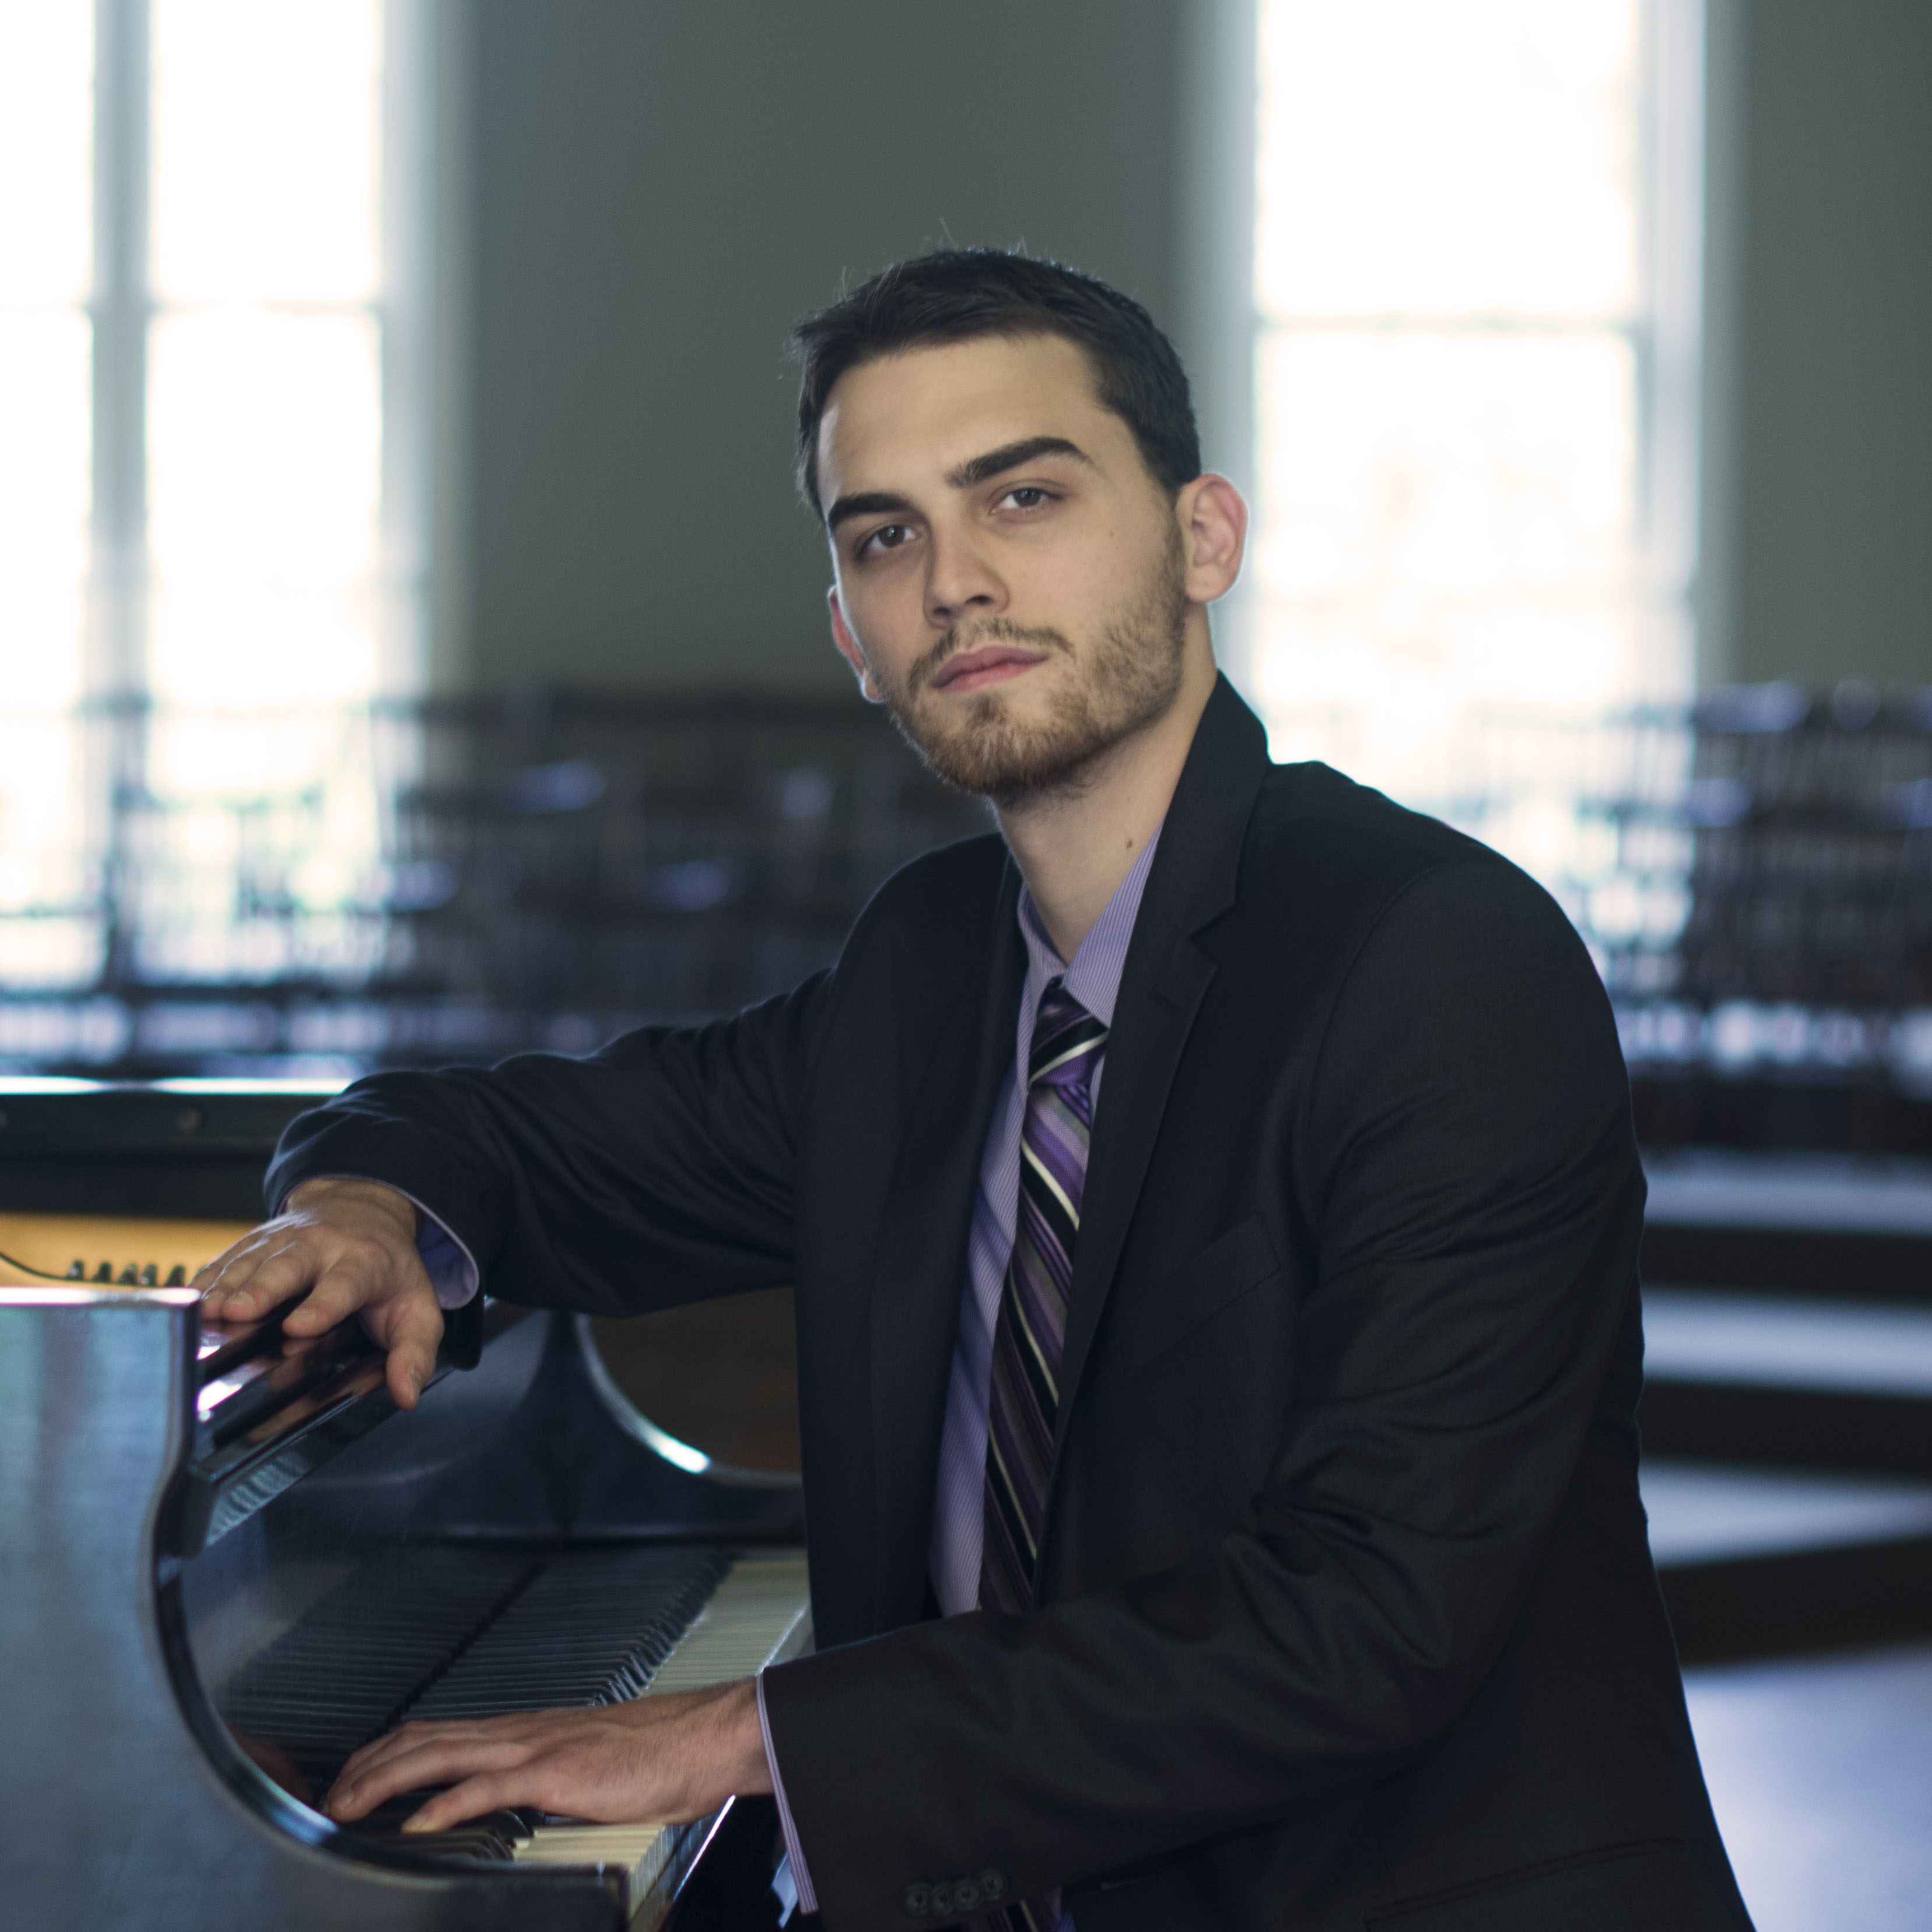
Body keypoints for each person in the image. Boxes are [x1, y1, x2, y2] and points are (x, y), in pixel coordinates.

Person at [199, 250, 1752, 1932]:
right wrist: (364, 1204)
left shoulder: (1437, 959)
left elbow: (1367, 1618)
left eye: (1022, 495)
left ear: (1201, 535)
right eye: (884, 535)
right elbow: (538, 1144)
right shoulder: (926, 974)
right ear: (851, 639)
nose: (953, 581)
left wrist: (741, 1734)